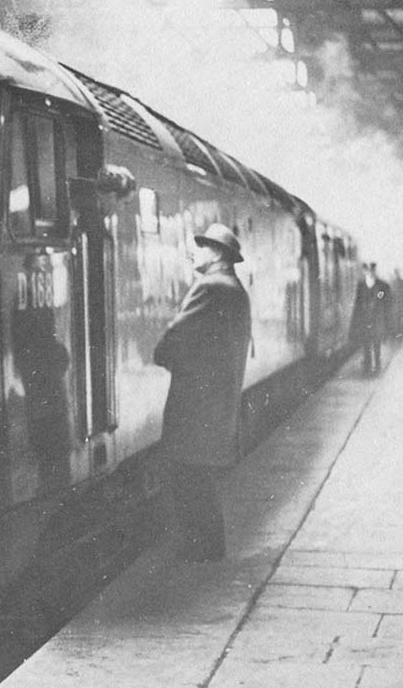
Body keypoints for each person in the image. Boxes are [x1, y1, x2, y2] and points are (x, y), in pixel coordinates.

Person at [153, 223, 252, 563]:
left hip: (196, 405)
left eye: (201, 246)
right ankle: (208, 547)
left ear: (218, 254)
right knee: (200, 479)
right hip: (217, 404)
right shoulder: (235, 289)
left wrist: (163, 354)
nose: (194, 251)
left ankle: (199, 549)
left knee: (188, 478)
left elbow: (178, 334)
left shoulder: (210, 287)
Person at [349, 262, 391, 375]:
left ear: (374, 271)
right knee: (366, 344)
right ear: (365, 272)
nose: (370, 273)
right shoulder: (361, 285)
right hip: (364, 319)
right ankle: (367, 366)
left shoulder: (382, 286)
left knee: (376, 344)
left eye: (372, 271)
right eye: (368, 271)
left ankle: (377, 365)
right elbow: (357, 303)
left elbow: (384, 300)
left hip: (377, 319)